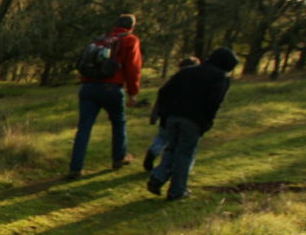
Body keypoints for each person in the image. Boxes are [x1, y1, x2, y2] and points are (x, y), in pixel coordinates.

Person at [147, 47, 238, 200]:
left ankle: (158, 177)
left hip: (172, 116)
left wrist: (163, 113)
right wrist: (207, 121)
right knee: (184, 154)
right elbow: (214, 102)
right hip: (194, 119)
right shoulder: (220, 78)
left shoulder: (187, 71)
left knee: (171, 149)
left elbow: (164, 91)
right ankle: (177, 191)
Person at [67, 14, 143, 179]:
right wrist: (133, 92)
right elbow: (133, 68)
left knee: (84, 128)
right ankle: (119, 158)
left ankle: (75, 168)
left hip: (88, 87)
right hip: (111, 87)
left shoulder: (102, 39)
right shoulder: (130, 40)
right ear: (132, 26)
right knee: (118, 123)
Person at [144, 56, 200, 171]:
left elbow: (161, 95)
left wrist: (155, 113)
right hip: (183, 115)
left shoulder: (173, 80)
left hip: (166, 114)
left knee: (162, 136)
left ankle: (153, 151)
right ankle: (170, 166)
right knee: (176, 142)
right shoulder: (195, 84)